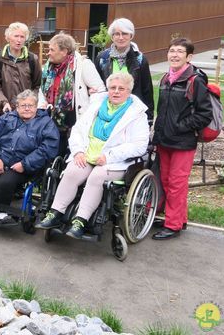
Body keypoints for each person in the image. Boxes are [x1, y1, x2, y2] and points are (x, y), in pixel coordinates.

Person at [35, 72, 149, 238]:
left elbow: (139, 145)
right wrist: (78, 151)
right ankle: (55, 213)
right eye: (112, 88)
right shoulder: (96, 105)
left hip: (114, 161)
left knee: (97, 177)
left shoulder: (137, 114)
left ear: (129, 91)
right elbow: (78, 131)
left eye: (121, 88)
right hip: (87, 154)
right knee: (72, 172)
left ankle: (80, 220)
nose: (116, 91)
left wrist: (110, 156)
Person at [151, 38, 212, 240]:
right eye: (171, 51)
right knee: (167, 180)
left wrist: (180, 127)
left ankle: (173, 225)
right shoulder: (165, 78)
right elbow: (163, 111)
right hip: (164, 140)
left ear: (189, 56)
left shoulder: (195, 80)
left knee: (177, 183)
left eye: (179, 51)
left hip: (182, 142)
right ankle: (178, 218)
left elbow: (204, 114)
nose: (174, 55)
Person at [0, 90, 59, 224]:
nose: (27, 108)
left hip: (23, 165)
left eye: (31, 105)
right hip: (0, 158)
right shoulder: (7, 118)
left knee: (5, 181)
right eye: (23, 105)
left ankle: (1, 212)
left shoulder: (45, 124)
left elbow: (47, 149)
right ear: (17, 107)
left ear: (36, 106)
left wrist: (25, 164)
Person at [38, 33, 106, 155]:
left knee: (71, 154)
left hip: (75, 120)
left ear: (64, 51)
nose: (48, 53)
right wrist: (42, 103)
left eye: (52, 50)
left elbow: (100, 91)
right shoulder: (48, 67)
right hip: (51, 120)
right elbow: (42, 90)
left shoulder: (83, 65)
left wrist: (90, 103)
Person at [94, 18, 154, 123]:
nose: (121, 37)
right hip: (107, 112)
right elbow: (96, 87)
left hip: (132, 114)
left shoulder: (140, 59)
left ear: (131, 36)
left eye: (125, 33)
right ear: (112, 37)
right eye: (117, 34)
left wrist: (149, 118)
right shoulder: (102, 58)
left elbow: (147, 90)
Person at [0, 22, 41, 115]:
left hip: (27, 111)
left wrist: (29, 103)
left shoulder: (32, 59)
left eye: (22, 37)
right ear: (8, 38)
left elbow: (37, 86)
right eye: (16, 36)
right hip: (5, 110)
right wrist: (3, 102)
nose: (19, 40)